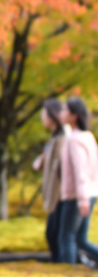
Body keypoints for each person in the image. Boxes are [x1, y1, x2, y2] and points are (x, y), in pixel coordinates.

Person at [56, 96, 98, 264]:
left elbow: (81, 171)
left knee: (66, 237)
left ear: (74, 116)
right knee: (80, 239)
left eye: (65, 109)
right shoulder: (88, 136)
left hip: (77, 195)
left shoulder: (74, 140)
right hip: (90, 192)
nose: (62, 113)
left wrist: (82, 199)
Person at [33, 98, 67, 262]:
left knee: (57, 235)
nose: (42, 116)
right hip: (56, 193)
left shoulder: (64, 136)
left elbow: (62, 166)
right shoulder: (55, 137)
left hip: (62, 193)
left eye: (44, 113)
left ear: (52, 115)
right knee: (54, 234)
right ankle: (62, 266)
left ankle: (67, 268)